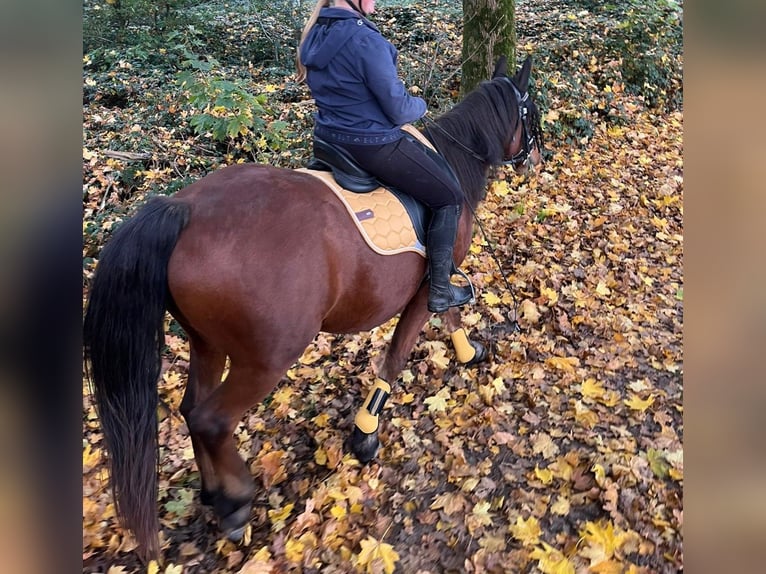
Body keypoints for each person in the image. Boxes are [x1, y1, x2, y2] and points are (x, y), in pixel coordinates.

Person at [296, 0, 473, 313]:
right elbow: (398, 109)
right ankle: (441, 289)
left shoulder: (315, 33)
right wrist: (420, 105)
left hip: (328, 139)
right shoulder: (366, 40)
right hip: (371, 144)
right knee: (449, 196)